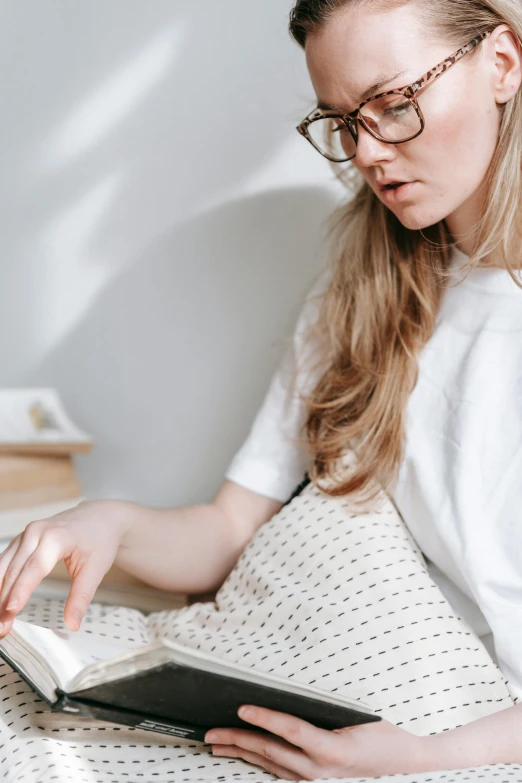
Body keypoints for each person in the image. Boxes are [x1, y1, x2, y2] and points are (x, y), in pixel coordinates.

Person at [0, 0, 522, 778]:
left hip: (468, 734)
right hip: (362, 691)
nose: (368, 153)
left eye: (394, 106)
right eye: (343, 121)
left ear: (503, 64)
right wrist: (110, 524)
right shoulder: (365, 285)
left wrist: (424, 759)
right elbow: (229, 528)